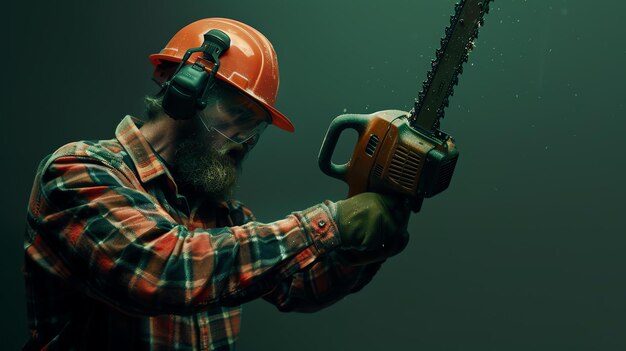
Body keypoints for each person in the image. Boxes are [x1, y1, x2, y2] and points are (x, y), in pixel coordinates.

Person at [23, 18, 410, 350]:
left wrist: (370, 235)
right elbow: (164, 271)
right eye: (237, 113)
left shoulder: (218, 214)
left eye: (254, 125)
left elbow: (303, 286)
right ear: (183, 90)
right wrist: (328, 223)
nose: (244, 139)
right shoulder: (78, 172)